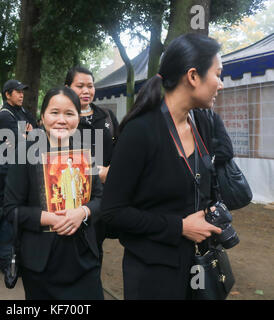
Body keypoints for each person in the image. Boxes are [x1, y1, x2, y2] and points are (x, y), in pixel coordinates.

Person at [101, 33, 225, 300]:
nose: (221, 84)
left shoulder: (202, 122)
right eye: (218, 74)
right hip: (153, 274)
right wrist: (179, 227)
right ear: (193, 76)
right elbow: (112, 213)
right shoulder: (140, 131)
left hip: (198, 266)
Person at [3, 86, 104, 300]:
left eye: (69, 113)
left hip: (84, 258)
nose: (61, 120)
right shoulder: (25, 152)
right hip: (41, 264)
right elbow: (11, 210)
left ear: (78, 117)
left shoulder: (86, 150)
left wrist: (83, 212)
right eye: (54, 112)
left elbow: (100, 199)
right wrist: (50, 218)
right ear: (42, 116)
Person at [65, 66, 120, 262]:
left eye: (90, 86)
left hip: (100, 199)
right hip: (69, 198)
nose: (86, 91)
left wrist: (111, 170)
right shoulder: (60, 120)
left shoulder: (106, 116)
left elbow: (121, 154)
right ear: (68, 88)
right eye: (80, 86)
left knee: (95, 247)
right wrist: (95, 172)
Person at [0, 79, 37, 207]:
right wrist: (28, 135)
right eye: (18, 92)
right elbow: (21, 142)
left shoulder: (22, 111)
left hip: (22, 163)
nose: (22, 95)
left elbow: (37, 131)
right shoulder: (4, 115)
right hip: (9, 168)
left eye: (22, 92)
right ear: (8, 95)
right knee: (8, 204)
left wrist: (27, 135)